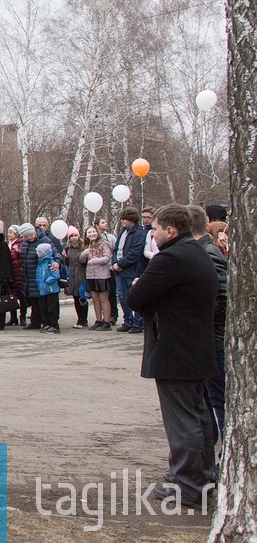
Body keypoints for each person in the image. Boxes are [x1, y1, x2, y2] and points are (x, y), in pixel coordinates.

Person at [127, 204, 218, 509]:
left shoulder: (171, 259)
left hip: (174, 350)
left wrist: (140, 285)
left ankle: (188, 486)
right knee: (198, 417)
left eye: (155, 229)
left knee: (183, 422)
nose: (151, 234)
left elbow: (137, 299)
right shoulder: (199, 253)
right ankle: (202, 477)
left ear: (171, 230)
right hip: (194, 349)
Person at [188, 205, 227, 447]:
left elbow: (220, 298)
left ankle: (224, 458)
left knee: (218, 400)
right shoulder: (202, 251)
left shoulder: (208, 253)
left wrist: (205, 330)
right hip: (207, 340)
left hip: (213, 341)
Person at [112, 207, 149, 334]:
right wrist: (114, 262)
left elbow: (135, 252)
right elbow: (116, 249)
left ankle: (138, 322)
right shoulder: (123, 231)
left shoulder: (140, 233)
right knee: (122, 296)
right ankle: (128, 320)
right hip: (119, 271)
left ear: (131, 219)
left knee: (134, 296)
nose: (122, 221)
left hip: (132, 270)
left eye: (124, 219)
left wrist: (121, 263)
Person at [80, 225, 113, 330]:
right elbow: (81, 259)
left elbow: (107, 258)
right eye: (89, 233)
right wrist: (85, 252)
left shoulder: (103, 244)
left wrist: (95, 260)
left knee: (103, 299)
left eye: (93, 232)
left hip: (102, 275)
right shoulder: (87, 246)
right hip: (90, 276)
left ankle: (106, 321)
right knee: (95, 299)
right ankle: (98, 320)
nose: (92, 234)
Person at [17, 223, 50, 330]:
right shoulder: (25, 243)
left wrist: (57, 262)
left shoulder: (44, 240)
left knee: (41, 300)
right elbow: (24, 257)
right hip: (28, 275)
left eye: (31, 235)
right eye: (26, 236)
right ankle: (35, 321)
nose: (30, 238)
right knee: (33, 300)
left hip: (40, 274)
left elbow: (54, 252)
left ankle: (45, 322)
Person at [62, 227, 88, 329]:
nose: (73, 238)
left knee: (82, 297)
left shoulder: (83, 247)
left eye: (75, 235)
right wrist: (64, 256)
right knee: (75, 298)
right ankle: (79, 318)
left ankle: (84, 319)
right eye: (71, 236)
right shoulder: (67, 248)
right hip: (71, 275)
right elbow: (66, 263)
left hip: (81, 275)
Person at [35, 243, 61, 334]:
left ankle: (54, 325)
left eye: (38, 251)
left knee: (52, 308)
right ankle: (46, 324)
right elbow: (38, 274)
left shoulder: (51, 262)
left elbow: (55, 275)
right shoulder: (40, 262)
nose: (36, 253)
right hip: (43, 290)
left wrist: (46, 282)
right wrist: (38, 281)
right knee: (44, 308)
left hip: (51, 289)